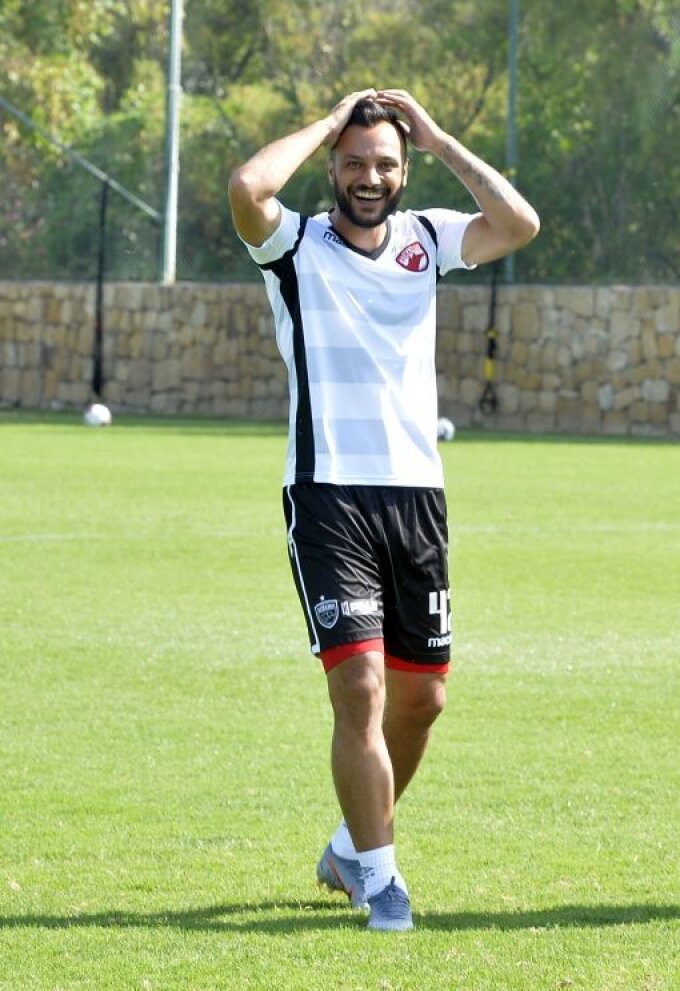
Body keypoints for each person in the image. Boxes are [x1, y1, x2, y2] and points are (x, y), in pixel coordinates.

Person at [227, 89, 539, 932]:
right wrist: (328, 122)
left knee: (422, 698)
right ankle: (384, 879)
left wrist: (437, 138)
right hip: (328, 493)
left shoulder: (427, 237)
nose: (371, 177)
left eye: (386, 164)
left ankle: (347, 847)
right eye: (356, 162)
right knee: (360, 687)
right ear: (334, 165)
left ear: (404, 172)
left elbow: (518, 224)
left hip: (418, 497)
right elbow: (248, 188)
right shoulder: (294, 246)